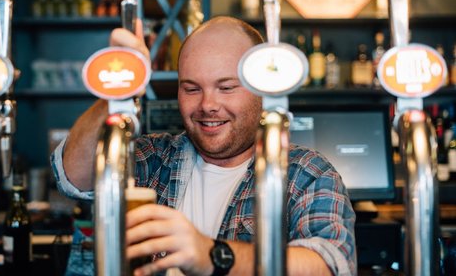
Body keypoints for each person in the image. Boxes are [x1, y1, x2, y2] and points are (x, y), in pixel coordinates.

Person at [51, 16, 356, 276]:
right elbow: (71, 176)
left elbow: (327, 264)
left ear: (260, 88)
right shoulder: (154, 157)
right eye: (192, 89)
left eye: (226, 87)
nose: (208, 105)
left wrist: (211, 254)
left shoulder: (306, 173)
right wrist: (117, 92)